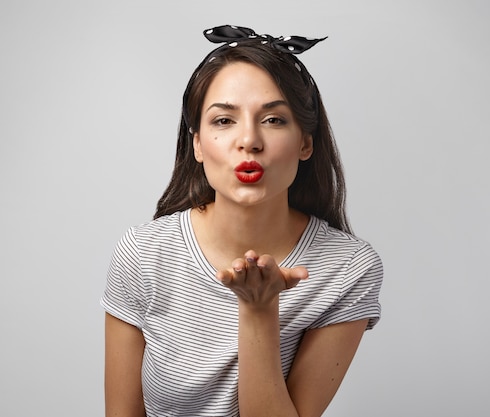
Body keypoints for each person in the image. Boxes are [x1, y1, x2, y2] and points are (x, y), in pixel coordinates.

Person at [101, 24, 383, 417]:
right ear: (197, 142)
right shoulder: (144, 254)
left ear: (305, 143)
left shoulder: (348, 268)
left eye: (273, 120)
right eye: (223, 121)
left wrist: (259, 310)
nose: (248, 139)